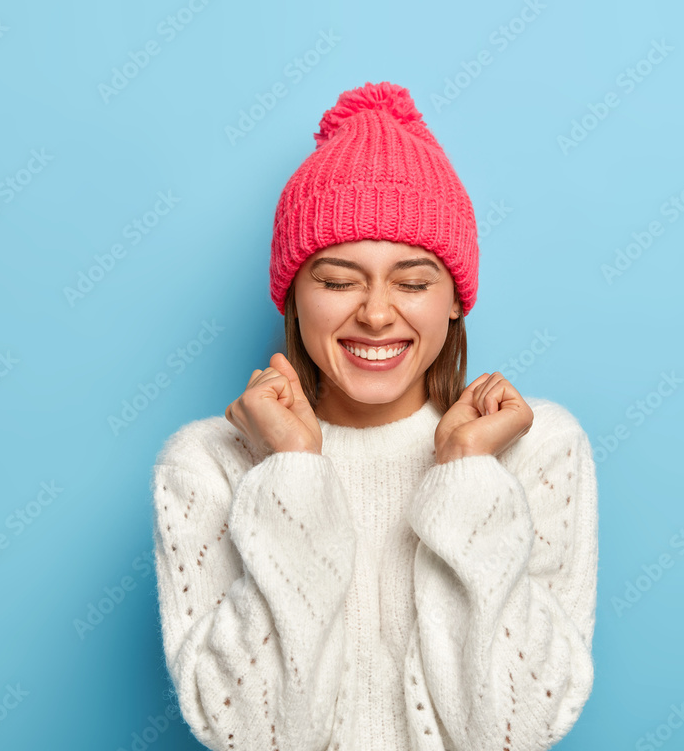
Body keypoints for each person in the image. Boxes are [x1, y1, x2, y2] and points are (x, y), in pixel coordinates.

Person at [151, 81, 598, 750]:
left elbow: (511, 733)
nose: (378, 313)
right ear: (293, 297)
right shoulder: (206, 465)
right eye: (337, 281)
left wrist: (468, 476)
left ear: (454, 301)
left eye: (414, 282)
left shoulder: (534, 448)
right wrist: (292, 473)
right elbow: (251, 736)